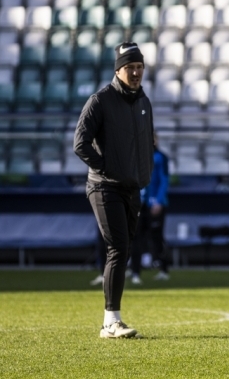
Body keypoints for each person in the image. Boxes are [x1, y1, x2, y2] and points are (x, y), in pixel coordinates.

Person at [74, 42, 154, 339]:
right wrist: (105, 167)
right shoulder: (100, 100)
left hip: (132, 187)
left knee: (124, 249)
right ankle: (110, 322)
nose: (135, 72)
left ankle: (112, 319)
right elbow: (80, 144)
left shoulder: (144, 102)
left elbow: (148, 143)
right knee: (118, 248)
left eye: (139, 67)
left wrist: (143, 174)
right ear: (118, 70)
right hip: (104, 186)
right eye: (130, 67)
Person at [129, 132, 171, 284]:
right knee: (135, 238)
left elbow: (164, 180)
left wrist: (158, 201)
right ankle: (135, 272)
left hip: (155, 205)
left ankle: (164, 268)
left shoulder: (161, 158)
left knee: (157, 237)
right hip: (139, 204)